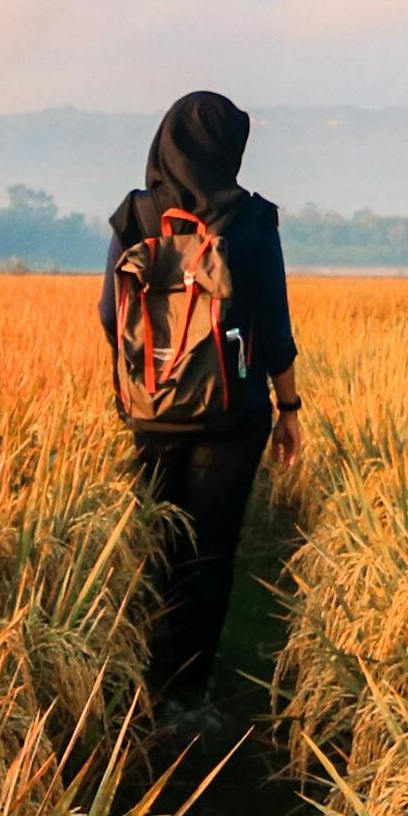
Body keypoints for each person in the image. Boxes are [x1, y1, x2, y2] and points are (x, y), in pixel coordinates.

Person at [99, 91, 302, 702]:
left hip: (149, 411)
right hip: (231, 415)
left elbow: (111, 314)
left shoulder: (135, 215)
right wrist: (288, 408)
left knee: (155, 543)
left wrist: (147, 371)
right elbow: (273, 325)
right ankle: (188, 693)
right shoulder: (251, 219)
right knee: (210, 554)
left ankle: (141, 683)